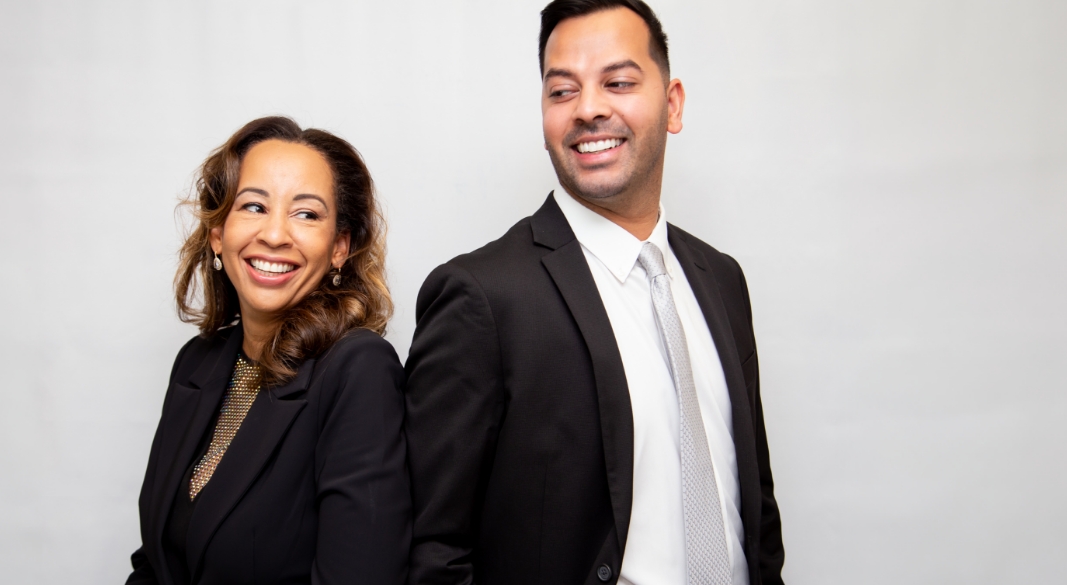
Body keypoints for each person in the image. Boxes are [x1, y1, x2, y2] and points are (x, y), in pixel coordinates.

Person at [404, 1, 784, 584]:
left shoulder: (722, 280)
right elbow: (434, 550)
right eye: (562, 92)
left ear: (672, 103)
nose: (588, 110)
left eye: (618, 82)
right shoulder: (481, 297)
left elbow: (753, 500)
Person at [126, 116, 410, 585]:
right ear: (219, 234)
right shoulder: (196, 363)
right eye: (254, 206)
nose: (275, 235)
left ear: (339, 247)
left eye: (306, 214)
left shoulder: (357, 371)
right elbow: (154, 564)